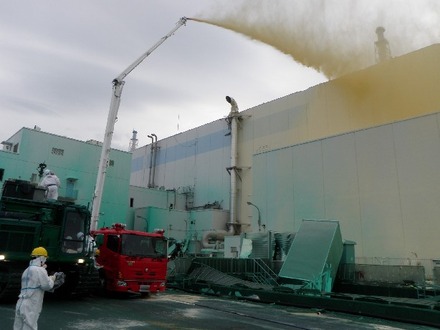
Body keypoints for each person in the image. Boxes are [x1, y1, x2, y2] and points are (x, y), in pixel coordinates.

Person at [13, 247, 58, 330]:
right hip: (31, 303)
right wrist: (52, 278)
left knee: (18, 327)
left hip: (20, 302)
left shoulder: (27, 270)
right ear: (42, 258)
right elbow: (47, 286)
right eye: (45, 258)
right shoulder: (40, 270)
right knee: (30, 326)